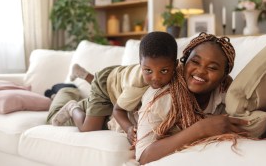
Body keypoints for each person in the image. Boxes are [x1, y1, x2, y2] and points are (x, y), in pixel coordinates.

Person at [46, 31, 178, 146]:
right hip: (106, 84)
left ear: (175, 65)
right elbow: (118, 110)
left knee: (114, 85)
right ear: (141, 65)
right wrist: (128, 129)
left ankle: (82, 74)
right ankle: (72, 107)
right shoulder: (136, 85)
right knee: (89, 128)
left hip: (118, 77)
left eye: (164, 71)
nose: (156, 77)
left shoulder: (176, 74)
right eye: (148, 70)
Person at [135, 32, 248, 165]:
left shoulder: (225, 90)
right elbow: (144, 156)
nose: (200, 71)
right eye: (195, 61)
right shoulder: (161, 96)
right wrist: (201, 129)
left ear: (224, 76)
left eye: (212, 67)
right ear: (184, 61)